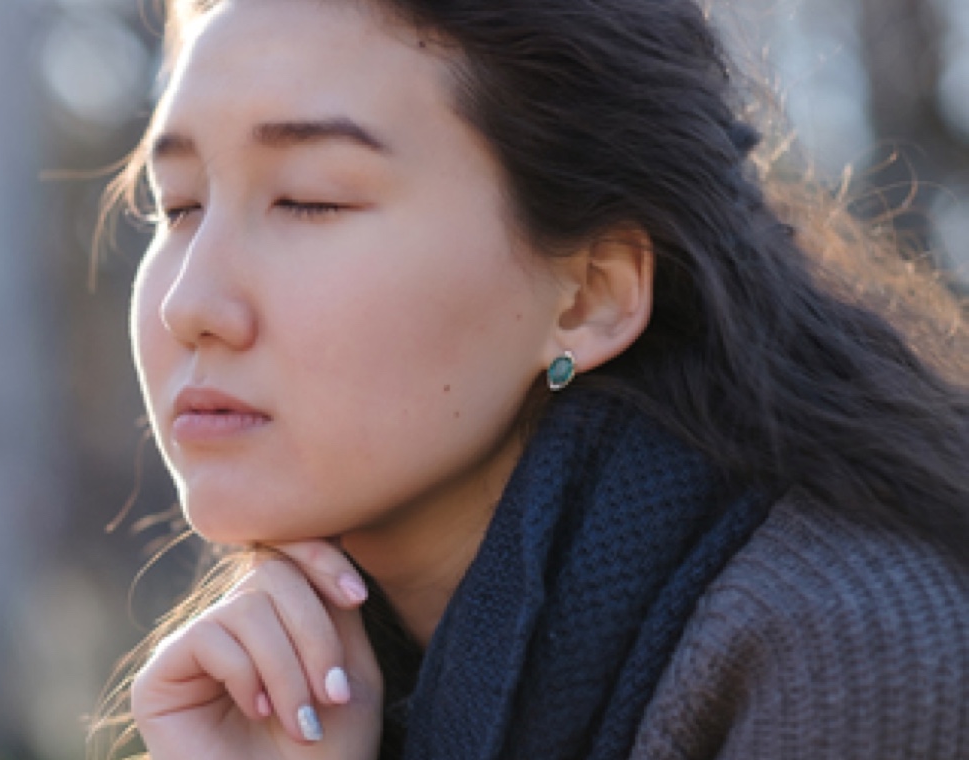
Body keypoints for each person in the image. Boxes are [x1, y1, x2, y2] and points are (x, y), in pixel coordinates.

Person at [91, 0, 969, 757]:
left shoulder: (848, 650)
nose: (190, 304)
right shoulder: (295, 681)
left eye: (310, 199)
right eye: (178, 207)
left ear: (588, 297)